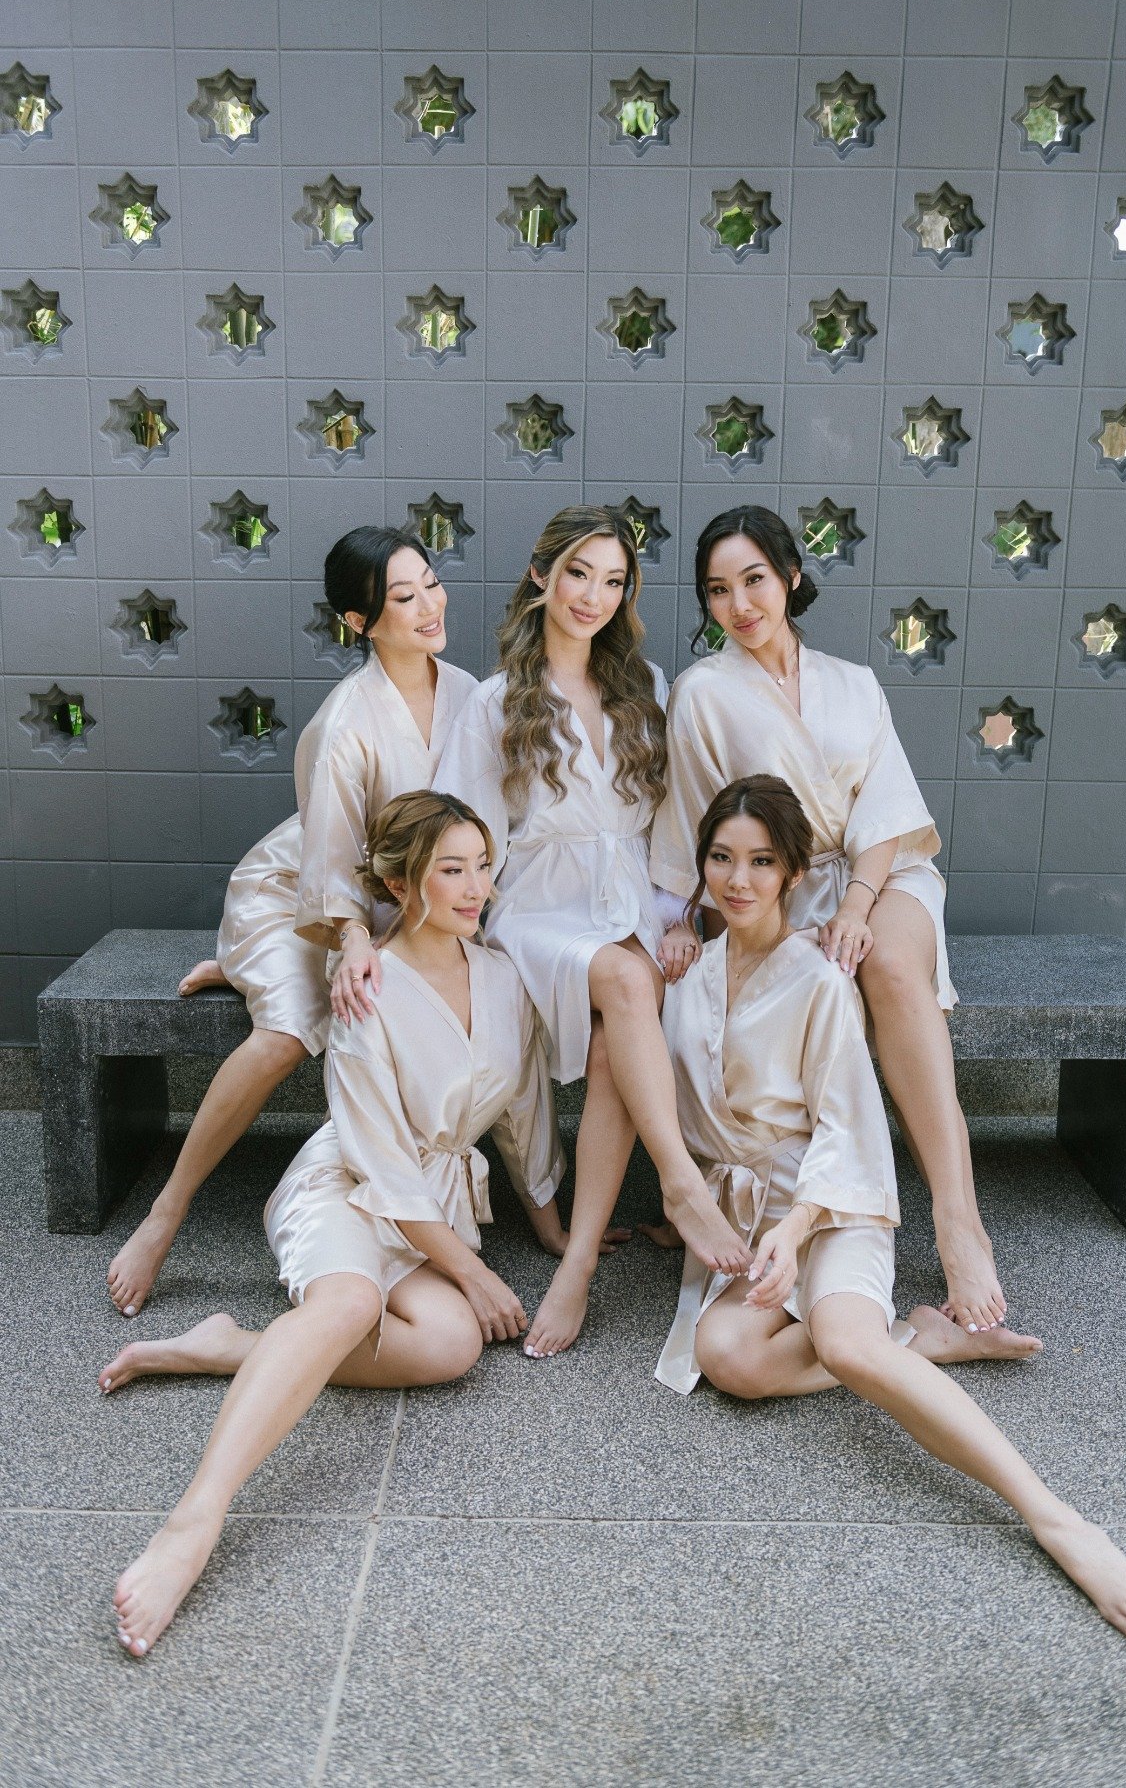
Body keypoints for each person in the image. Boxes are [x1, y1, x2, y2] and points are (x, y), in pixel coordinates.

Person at [657, 776, 1126, 1647]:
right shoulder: (692, 979)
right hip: (754, 1221)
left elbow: (852, 1131)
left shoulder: (818, 979)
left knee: (847, 1343)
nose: (740, 880)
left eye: (763, 861)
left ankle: (1054, 1518)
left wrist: (795, 1226)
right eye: (722, 859)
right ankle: (924, 1340)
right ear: (701, 868)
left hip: (832, 1207)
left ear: (794, 871)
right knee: (725, 1356)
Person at [100, 790, 564, 1658]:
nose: (475, 888)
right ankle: (193, 1524)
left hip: (432, 1205)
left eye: (482, 866)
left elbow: (520, 1108)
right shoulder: (365, 986)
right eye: (450, 870)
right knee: (351, 1305)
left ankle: (236, 1346)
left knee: (452, 1347)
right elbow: (382, 1165)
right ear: (398, 880)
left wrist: (547, 1222)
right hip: (347, 1186)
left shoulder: (504, 975)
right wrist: (472, 1268)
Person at [651, 504, 1015, 1338]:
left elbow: (888, 813)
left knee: (886, 965)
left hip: (883, 876)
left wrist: (858, 903)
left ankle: (959, 1220)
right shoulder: (704, 694)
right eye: (717, 590)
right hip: (787, 892)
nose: (739, 604)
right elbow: (697, 820)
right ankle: (802, 1205)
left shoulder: (856, 682)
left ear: (790, 577)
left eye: (753, 580)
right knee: (823, 974)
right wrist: (683, 916)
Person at [105, 527, 481, 1317]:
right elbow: (333, 861)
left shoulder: (471, 695)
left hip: (399, 903)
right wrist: (348, 943)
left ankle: (242, 967)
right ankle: (165, 1212)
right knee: (291, 1028)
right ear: (360, 622)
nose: (427, 607)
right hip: (301, 891)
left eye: (431, 584)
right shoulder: (343, 724)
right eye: (401, 598)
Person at [433, 506, 752, 1359]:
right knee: (623, 980)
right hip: (539, 909)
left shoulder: (645, 685)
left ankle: (576, 1265)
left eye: (614, 581)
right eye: (579, 573)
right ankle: (681, 1185)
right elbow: (459, 829)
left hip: (634, 905)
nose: (594, 596)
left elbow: (679, 821)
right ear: (542, 577)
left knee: (624, 1014)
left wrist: (679, 913)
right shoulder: (496, 702)